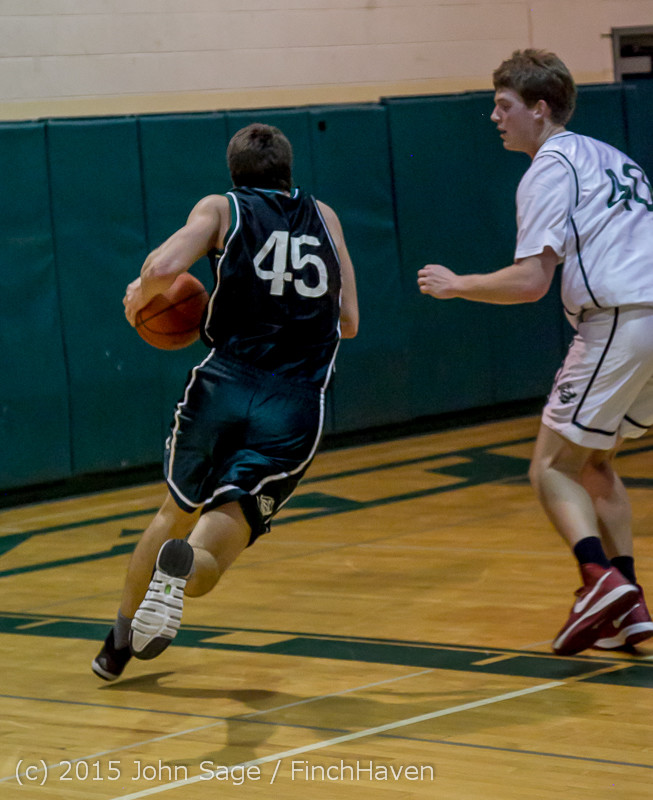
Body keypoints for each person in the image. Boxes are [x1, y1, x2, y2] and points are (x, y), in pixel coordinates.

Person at [92, 123, 359, 680]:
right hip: (293, 404)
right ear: (288, 169)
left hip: (223, 384)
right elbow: (350, 321)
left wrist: (141, 298)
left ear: (235, 173)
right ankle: (185, 568)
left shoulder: (220, 207)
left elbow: (163, 269)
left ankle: (116, 646)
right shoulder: (325, 216)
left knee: (174, 512)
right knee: (224, 536)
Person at [417, 49, 653, 656]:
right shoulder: (612, 156)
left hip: (620, 318)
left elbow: (530, 282)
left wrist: (458, 284)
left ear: (540, 109)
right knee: (594, 463)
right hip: (647, 318)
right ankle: (630, 608)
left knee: (549, 467)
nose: (494, 117)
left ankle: (598, 581)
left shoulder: (550, 167)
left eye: (504, 106)